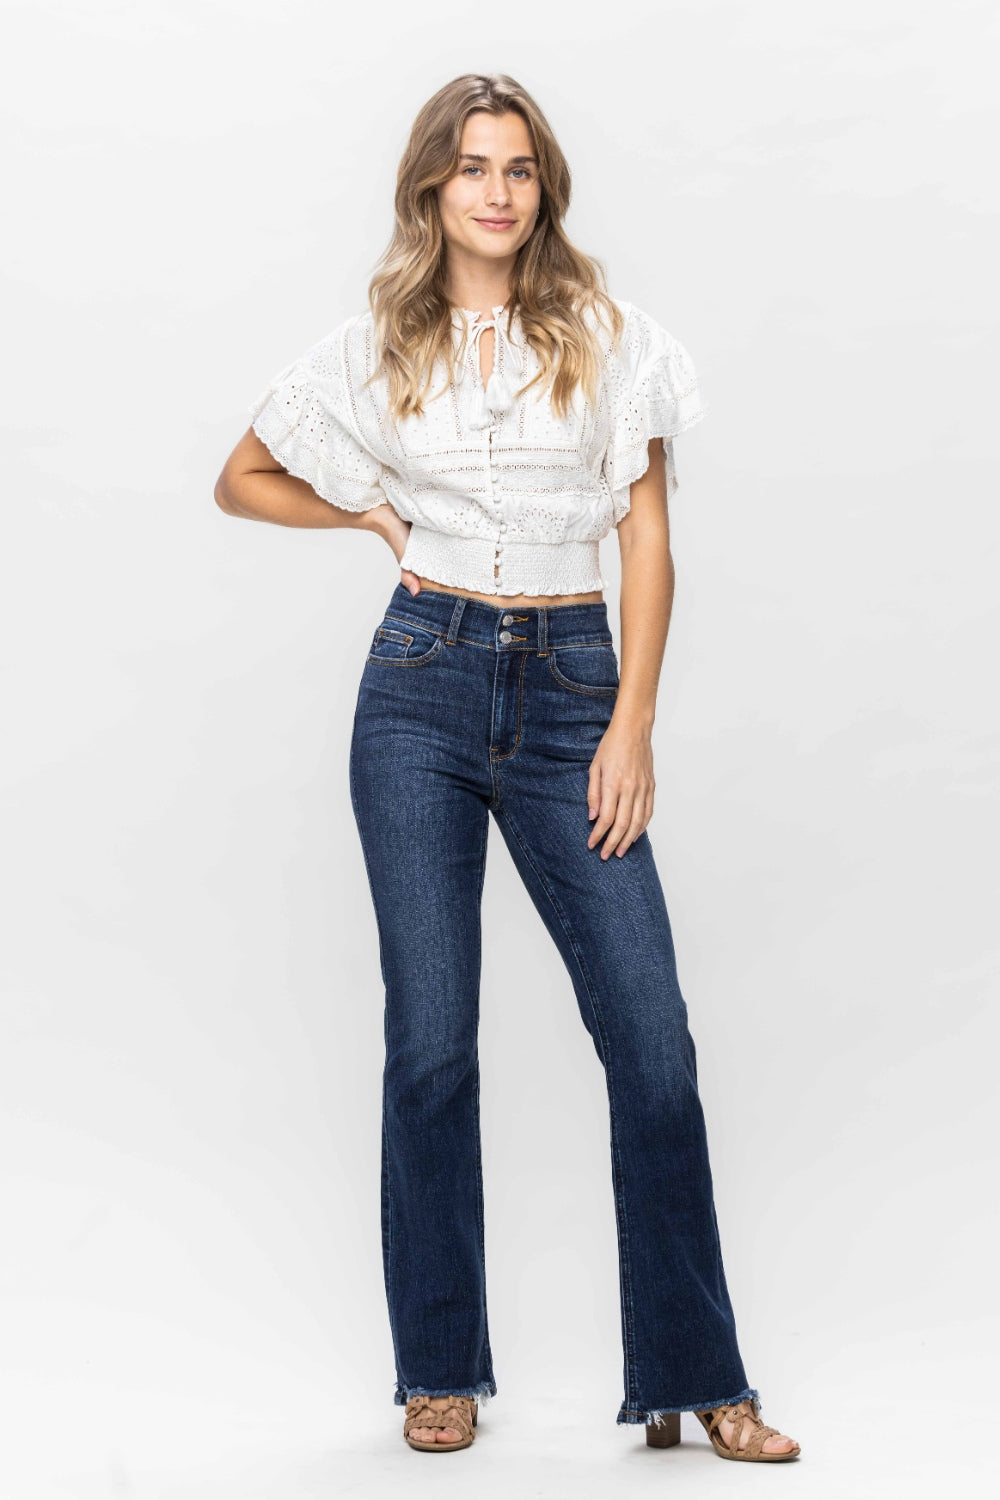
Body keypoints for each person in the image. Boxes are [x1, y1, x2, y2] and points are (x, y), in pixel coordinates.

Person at [214, 72, 800, 1464]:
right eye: (472, 166)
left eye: (519, 169)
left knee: (652, 1048)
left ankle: (696, 1375)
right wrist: (369, 517)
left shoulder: (606, 336)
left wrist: (630, 724)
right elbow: (243, 475)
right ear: (432, 186)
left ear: (544, 190)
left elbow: (647, 540)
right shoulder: (379, 343)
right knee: (431, 1046)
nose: (495, 189)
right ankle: (439, 1369)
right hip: (417, 690)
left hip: (570, 689)